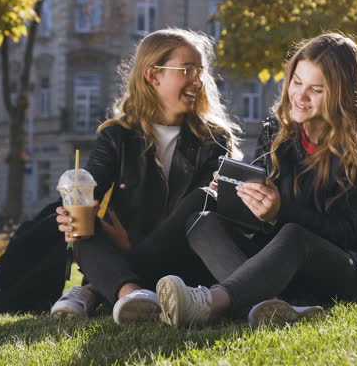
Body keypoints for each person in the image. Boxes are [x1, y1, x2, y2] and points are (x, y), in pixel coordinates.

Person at [155, 32, 357, 327]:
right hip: (283, 269)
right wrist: (236, 196)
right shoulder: (275, 132)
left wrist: (280, 211)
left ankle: (212, 302)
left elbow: (344, 232)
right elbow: (262, 223)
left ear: (339, 93)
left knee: (294, 235)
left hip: (343, 270)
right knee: (201, 221)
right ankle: (275, 307)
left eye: (316, 89)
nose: (300, 96)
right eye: (296, 82)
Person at [52, 28, 240, 324]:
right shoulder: (117, 136)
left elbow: (201, 218)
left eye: (200, 70)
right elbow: (89, 190)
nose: (199, 81)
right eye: (188, 70)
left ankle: (96, 291)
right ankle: (132, 294)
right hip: (121, 251)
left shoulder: (214, 140)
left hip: (183, 263)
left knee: (204, 199)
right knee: (83, 224)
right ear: (153, 75)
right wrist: (70, 217)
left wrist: (133, 246)